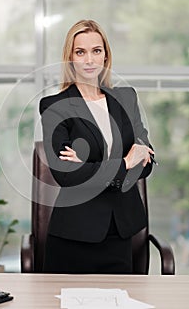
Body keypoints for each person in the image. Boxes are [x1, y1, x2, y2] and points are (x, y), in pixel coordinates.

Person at [39, 19, 155, 274]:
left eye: (96, 51)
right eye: (80, 52)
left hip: (121, 231)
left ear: (105, 55)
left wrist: (89, 167)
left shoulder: (126, 98)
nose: (89, 59)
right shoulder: (55, 106)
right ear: (70, 58)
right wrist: (125, 162)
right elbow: (67, 175)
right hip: (74, 234)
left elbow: (146, 164)